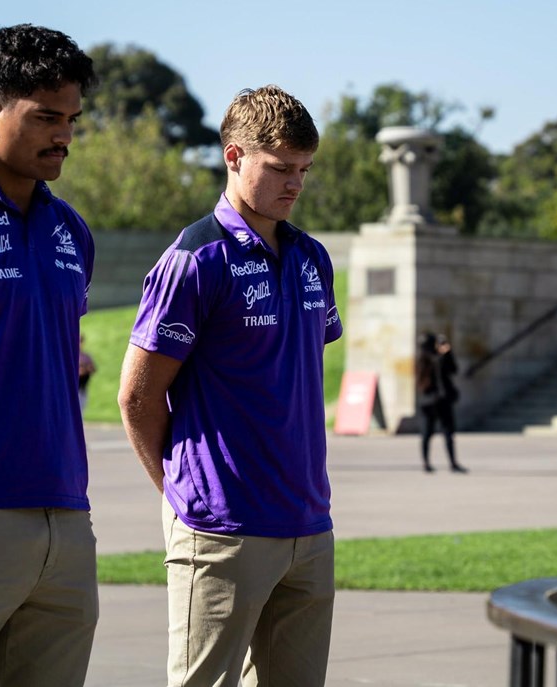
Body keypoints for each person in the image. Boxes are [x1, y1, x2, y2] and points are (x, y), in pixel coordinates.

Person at [118, 84, 343, 686]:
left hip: (307, 522)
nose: (295, 184)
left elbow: (290, 373)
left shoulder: (312, 257)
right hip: (221, 526)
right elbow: (137, 397)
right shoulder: (194, 259)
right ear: (234, 156)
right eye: (280, 169)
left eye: (304, 169)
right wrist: (182, 498)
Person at [0, 25, 99, 686]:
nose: (65, 135)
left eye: (72, 119)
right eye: (46, 117)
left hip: (66, 516)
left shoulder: (71, 229)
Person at [415, 332, 467, 473]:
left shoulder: (428, 358)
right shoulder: (428, 359)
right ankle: (439, 463)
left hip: (433, 401)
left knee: (440, 433)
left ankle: (440, 463)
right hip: (434, 401)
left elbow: (453, 370)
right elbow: (443, 369)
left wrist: (447, 354)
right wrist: (445, 353)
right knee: (435, 433)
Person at [78, 334, 97, 411]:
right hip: (72, 386)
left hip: (83, 386)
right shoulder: (70, 355)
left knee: (81, 408)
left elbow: (93, 369)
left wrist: (85, 368)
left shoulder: (86, 356)